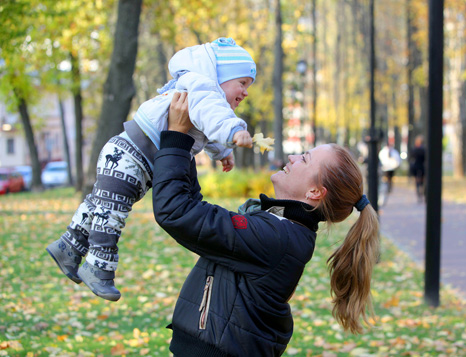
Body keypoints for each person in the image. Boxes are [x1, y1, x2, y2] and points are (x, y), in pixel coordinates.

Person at [151, 94, 380, 356]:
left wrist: (177, 138)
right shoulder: (281, 226)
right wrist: (187, 143)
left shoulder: (277, 236)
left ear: (315, 192)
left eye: (304, 159)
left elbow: (177, 211)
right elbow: (194, 208)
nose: (293, 157)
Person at [46, 37, 256, 301]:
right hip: (127, 156)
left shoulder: (205, 96)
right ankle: (98, 268)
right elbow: (214, 115)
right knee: (111, 212)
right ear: (220, 77)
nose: (246, 92)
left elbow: (207, 125)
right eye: (243, 83)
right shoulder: (202, 87)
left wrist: (223, 152)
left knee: (99, 205)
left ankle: (67, 246)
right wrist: (235, 130)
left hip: (138, 161)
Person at [409, 135, 426, 202]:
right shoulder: (423, 149)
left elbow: (411, 158)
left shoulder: (415, 149)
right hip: (420, 166)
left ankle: (419, 191)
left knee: (418, 181)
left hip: (417, 166)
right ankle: (420, 191)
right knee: (420, 180)